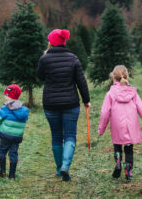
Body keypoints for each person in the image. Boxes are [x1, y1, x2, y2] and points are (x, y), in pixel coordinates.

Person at [37, 29, 90, 181]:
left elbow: (39, 76)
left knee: (56, 136)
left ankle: (59, 168)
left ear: (51, 42)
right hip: (71, 104)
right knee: (70, 136)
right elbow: (81, 81)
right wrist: (86, 100)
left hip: (51, 104)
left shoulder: (44, 59)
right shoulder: (73, 58)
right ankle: (66, 165)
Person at [98, 65, 142, 180]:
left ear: (113, 77)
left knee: (117, 144)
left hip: (117, 124)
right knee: (129, 146)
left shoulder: (110, 94)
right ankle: (128, 169)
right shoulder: (132, 93)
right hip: (131, 124)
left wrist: (101, 129)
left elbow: (104, 113)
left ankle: (118, 162)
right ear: (126, 76)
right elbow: (141, 108)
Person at [0, 84, 29, 179]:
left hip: (5, 135)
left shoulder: (5, 107)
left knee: (2, 151)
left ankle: (2, 171)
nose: (4, 96)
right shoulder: (23, 109)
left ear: (8, 96)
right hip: (17, 137)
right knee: (13, 153)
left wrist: (0, 125)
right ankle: (12, 175)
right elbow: (24, 121)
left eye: (6, 94)